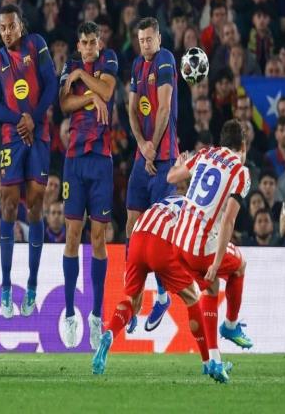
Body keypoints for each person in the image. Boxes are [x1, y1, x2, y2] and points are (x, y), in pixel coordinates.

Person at [92, 194, 227, 382]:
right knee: (192, 298)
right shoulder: (199, 210)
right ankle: (208, 362)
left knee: (132, 302)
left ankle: (108, 334)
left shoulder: (172, 199)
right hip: (160, 243)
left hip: (137, 237)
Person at [168, 119, 254, 383]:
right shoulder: (241, 172)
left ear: (220, 142)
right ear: (243, 145)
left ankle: (214, 360)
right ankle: (231, 325)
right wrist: (216, 262)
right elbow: (228, 220)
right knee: (240, 265)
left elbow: (171, 177)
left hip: (178, 242)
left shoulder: (205, 154)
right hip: (200, 248)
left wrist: (179, 162)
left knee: (211, 288)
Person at [0, 4, 57, 318]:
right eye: (2, 27)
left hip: (39, 133)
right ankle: (5, 289)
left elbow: (51, 84)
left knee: (37, 204)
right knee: (8, 205)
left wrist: (34, 118)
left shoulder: (36, 44)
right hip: (12, 137)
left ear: (21, 25)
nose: (6, 32)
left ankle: (31, 286)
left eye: (11, 26)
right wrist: (21, 120)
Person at [59, 21, 117, 350]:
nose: (90, 47)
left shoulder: (109, 60)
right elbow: (64, 104)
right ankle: (69, 313)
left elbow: (107, 92)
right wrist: (90, 95)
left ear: (99, 42)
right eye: (85, 42)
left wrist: (83, 78)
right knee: (71, 234)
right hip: (74, 160)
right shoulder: (68, 65)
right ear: (78, 45)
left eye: (94, 41)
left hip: (101, 160)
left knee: (98, 238)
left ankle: (96, 316)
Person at [125, 17, 180, 333]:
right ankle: (131, 302)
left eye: (149, 38)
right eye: (141, 39)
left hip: (165, 159)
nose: (145, 44)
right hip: (142, 157)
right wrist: (142, 145)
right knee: (132, 227)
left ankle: (162, 296)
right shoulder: (136, 65)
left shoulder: (166, 60)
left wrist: (153, 147)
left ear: (159, 38)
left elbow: (164, 107)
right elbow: (131, 109)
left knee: (157, 233)